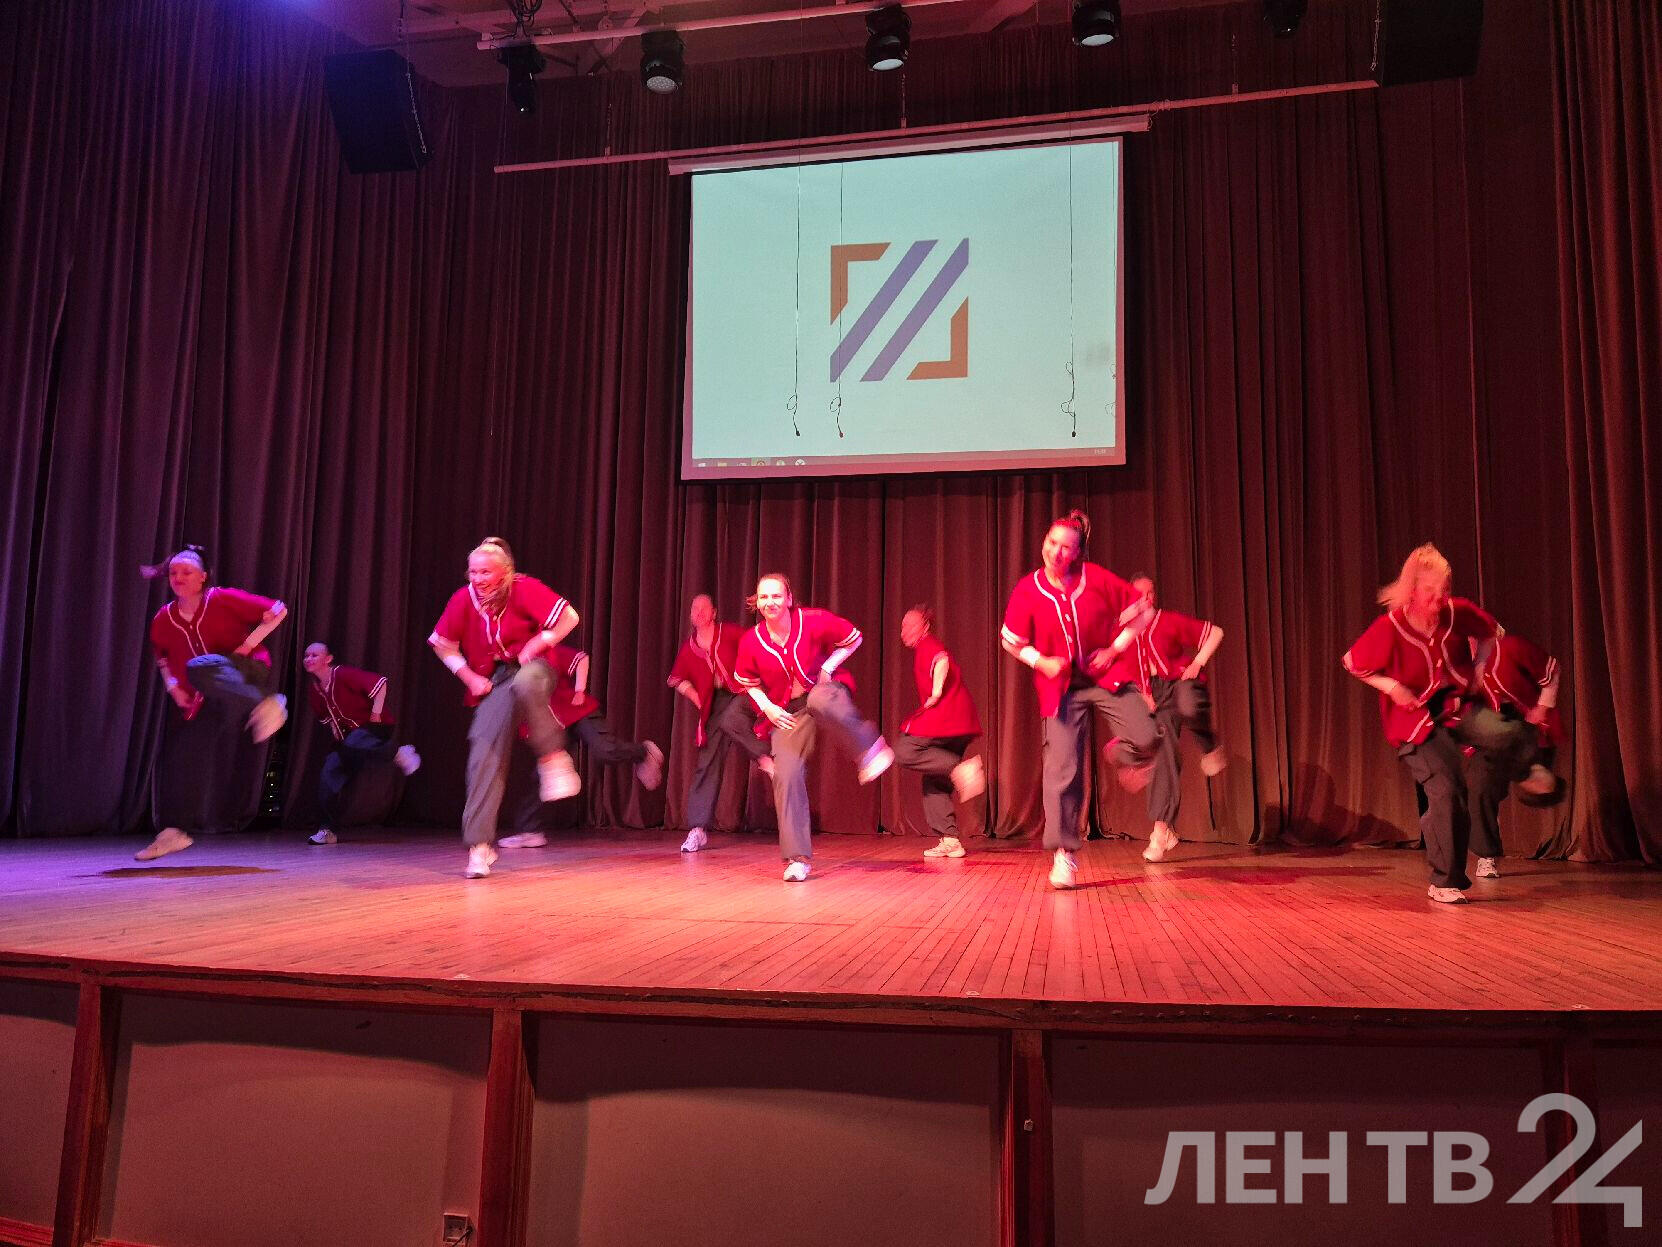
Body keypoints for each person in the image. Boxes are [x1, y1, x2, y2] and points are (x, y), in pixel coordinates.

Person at [1342, 543, 1531, 903]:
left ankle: (1519, 781)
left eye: (1444, 589)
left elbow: (1493, 631)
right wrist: (1393, 687)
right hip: (1415, 721)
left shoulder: (1456, 613)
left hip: (1457, 708)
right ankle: (1444, 881)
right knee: (1447, 791)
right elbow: (1352, 662)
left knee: (1510, 734)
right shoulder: (1391, 627)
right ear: (1412, 590)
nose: (1438, 598)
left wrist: (1480, 669)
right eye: (1430, 590)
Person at [1000, 509, 1160, 889]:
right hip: (1061, 687)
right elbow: (1010, 641)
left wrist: (1114, 649)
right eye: (1052, 543)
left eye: (1066, 547)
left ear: (1078, 553)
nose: (1056, 552)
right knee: (1063, 769)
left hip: (1102, 675)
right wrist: (1041, 662)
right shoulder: (1028, 589)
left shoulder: (1097, 579)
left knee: (1148, 735)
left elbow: (1143, 612)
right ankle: (1064, 854)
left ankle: (1120, 753)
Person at [428, 537, 580, 879]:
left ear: (505, 572)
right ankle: (480, 845)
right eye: (473, 572)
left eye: (486, 572)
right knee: (483, 750)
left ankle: (553, 759)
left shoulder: (523, 588)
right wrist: (468, 677)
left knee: (526, 682)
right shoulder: (463, 599)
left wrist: (539, 641)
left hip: (534, 667)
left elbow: (569, 617)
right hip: (495, 678)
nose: (478, 579)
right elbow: (442, 644)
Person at [733, 573, 894, 882]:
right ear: (757, 602)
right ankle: (797, 859)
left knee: (820, 698)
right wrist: (768, 707)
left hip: (823, 693)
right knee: (786, 773)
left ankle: (870, 748)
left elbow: (854, 638)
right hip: (789, 710)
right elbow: (747, 682)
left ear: (789, 599)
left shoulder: (812, 620)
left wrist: (827, 667)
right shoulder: (752, 640)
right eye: (764, 597)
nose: (770, 602)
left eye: (776, 596)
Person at [139, 545, 289, 861]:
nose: (179, 577)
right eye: (174, 572)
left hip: (245, 671)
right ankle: (174, 831)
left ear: (203, 577)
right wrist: (173, 688)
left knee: (200, 666)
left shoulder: (221, 598)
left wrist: (247, 645)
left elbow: (278, 609)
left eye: (187, 571)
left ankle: (266, 703)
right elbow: (161, 654)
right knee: (184, 755)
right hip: (209, 692)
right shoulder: (164, 618)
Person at [498, 643, 664, 848]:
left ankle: (643, 752)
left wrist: (579, 690)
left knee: (604, 750)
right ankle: (530, 831)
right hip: (554, 727)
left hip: (576, 712)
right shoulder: (512, 679)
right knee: (543, 774)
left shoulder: (545, 653)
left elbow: (581, 659)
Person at [1118, 574, 1226, 862]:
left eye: (1150, 593)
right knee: (1164, 756)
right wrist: (1144, 694)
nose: (1146, 599)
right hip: (1156, 694)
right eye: (1139, 594)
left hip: (1181, 682)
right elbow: (1128, 672)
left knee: (1190, 707)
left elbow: (1215, 632)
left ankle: (1209, 745)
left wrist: (1198, 662)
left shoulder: (1167, 621)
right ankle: (1161, 832)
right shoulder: (1127, 634)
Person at [666, 593, 773, 854]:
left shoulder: (730, 633)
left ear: (714, 613)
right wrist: (697, 699)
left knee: (731, 718)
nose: (699, 612)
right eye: (695, 609)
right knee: (707, 762)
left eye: (704, 608)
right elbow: (677, 679)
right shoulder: (690, 648)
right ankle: (697, 828)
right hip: (714, 704)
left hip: (743, 695)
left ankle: (766, 758)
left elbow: (755, 644)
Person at [301, 641, 421, 845]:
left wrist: (376, 713)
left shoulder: (342, 674)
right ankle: (327, 830)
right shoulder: (315, 690)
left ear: (328, 659)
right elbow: (329, 721)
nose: (309, 659)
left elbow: (380, 683)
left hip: (374, 728)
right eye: (306, 656)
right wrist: (338, 746)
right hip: (350, 739)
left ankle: (397, 752)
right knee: (328, 774)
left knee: (355, 741)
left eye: (314, 655)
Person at [893, 605, 985, 859]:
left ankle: (961, 769)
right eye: (902, 627)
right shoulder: (924, 647)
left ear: (925, 627)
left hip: (946, 717)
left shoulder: (928, 645)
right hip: (960, 721)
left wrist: (936, 691)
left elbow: (941, 659)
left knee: (905, 751)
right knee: (935, 778)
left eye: (909, 626)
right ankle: (950, 839)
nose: (903, 632)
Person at [1478, 631, 1566, 811]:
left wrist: (1542, 707)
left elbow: (1551, 670)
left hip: (1530, 726)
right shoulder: (1464, 666)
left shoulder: (1510, 648)